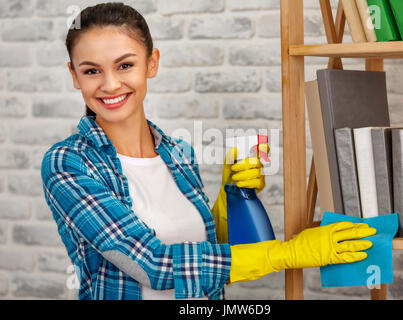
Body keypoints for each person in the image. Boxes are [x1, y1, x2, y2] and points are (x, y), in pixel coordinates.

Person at [41, 2, 376, 300]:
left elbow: (205, 251)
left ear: (152, 63)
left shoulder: (179, 155)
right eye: (91, 71)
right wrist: (288, 253)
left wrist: (229, 201)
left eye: (125, 65)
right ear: (74, 75)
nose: (110, 84)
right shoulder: (68, 163)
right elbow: (153, 265)